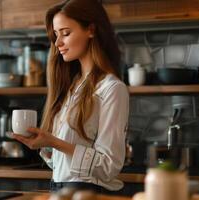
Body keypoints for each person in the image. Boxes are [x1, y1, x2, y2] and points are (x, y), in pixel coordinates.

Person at [12, 0, 129, 193]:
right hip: (59, 190)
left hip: (87, 194)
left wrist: (54, 142)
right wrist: (45, 146)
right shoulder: (72, 87)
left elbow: (109, 166)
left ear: (91, 30)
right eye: (56, 35)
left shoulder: (112, 88)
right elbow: (64, 166)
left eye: (65, 33)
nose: (58, 43)